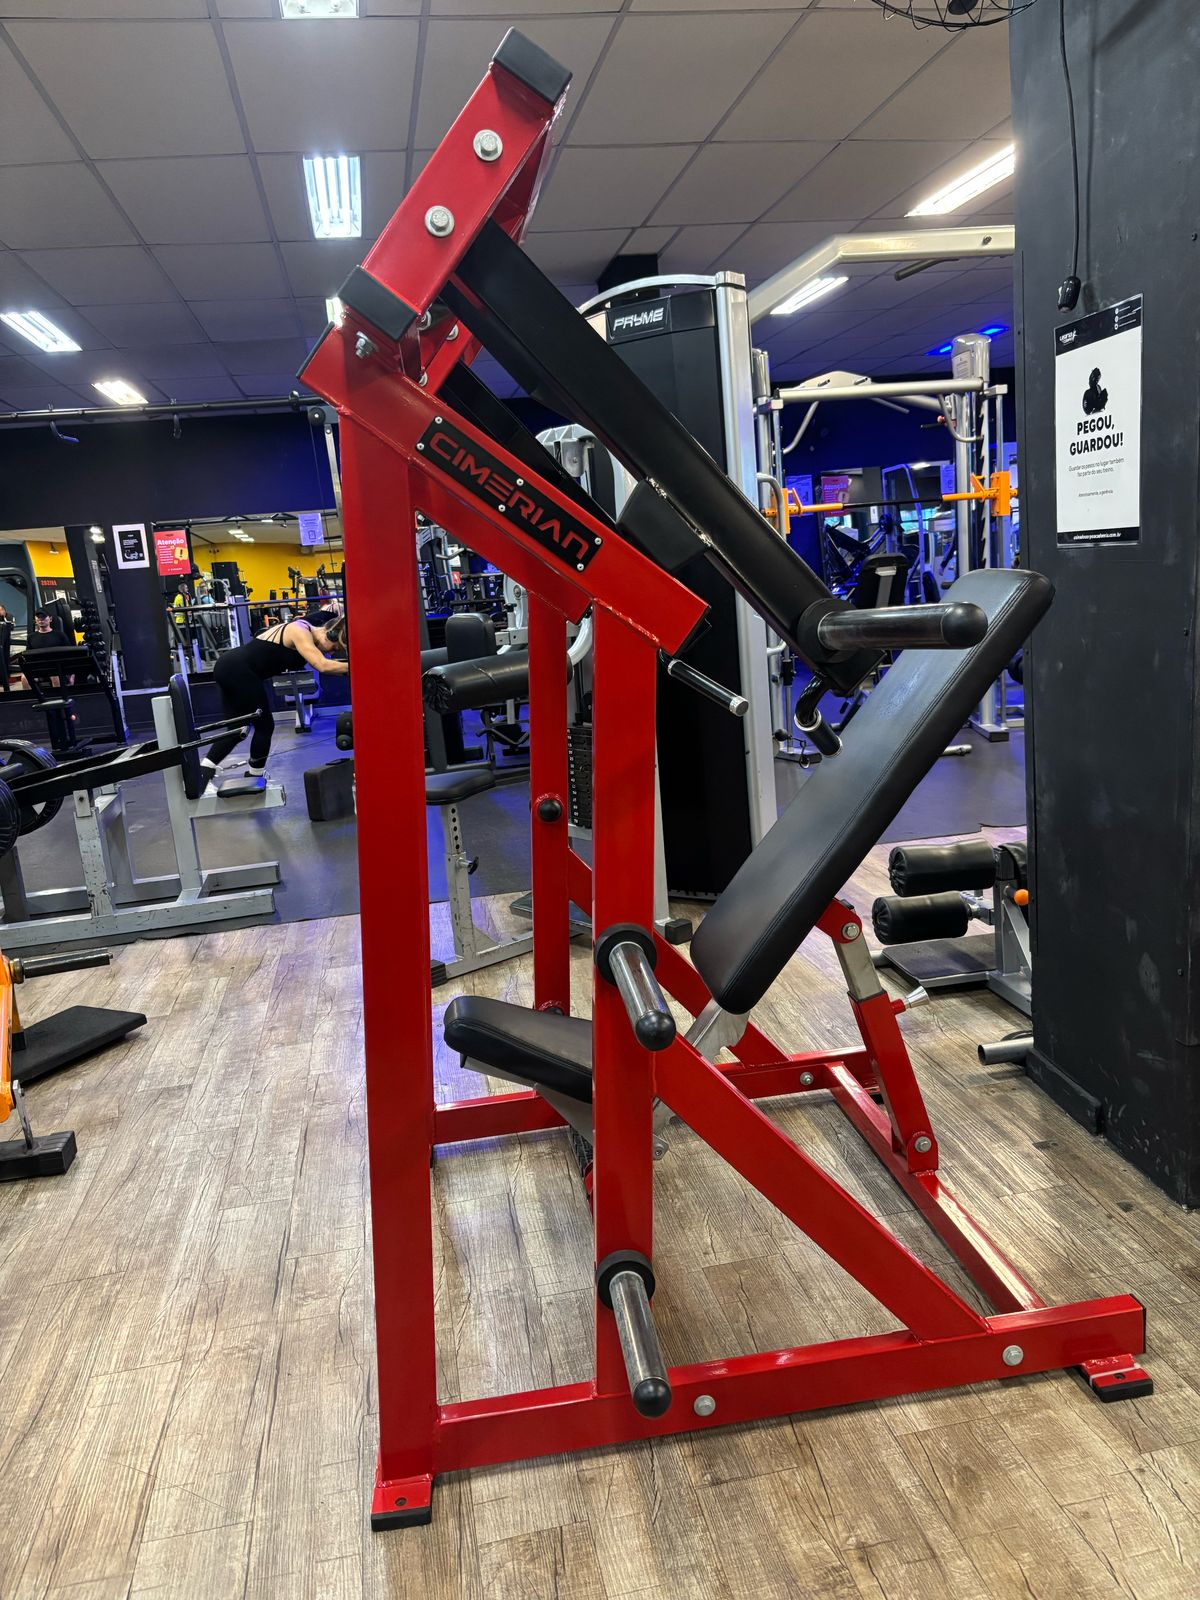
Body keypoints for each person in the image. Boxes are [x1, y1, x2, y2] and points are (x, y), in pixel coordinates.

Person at [200, 614, 348, 795]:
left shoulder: (309, 634)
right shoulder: (300, 630)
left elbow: (332, 661)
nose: (332, 653)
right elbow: (323, 665)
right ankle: (254, 775)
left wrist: (348, 668)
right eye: (335, 648)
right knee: (265, 726)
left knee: (236, 730)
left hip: (232, 668)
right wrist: (358, 666)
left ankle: (202, 774)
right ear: (330, 633)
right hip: (237, 669)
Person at [22, 607, 70, 692]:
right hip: (38, 668)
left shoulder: (60, 635)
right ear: (35, 620)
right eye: (39, 618)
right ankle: (33, 698)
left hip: (56, 667)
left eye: (43, 617)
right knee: (24, 678)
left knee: (55, 677)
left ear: (50, 619)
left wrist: (72, 675)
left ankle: (59, 698)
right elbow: (28, 657)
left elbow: (70, 655)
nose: (41, 620)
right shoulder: (31, 637)